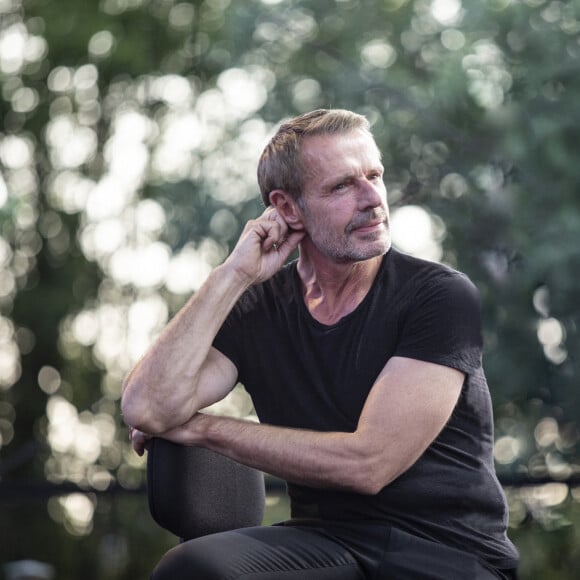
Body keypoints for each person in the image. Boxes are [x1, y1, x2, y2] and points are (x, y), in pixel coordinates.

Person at [121, 109, 520, 579]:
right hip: (324, 543)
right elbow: (147, 406)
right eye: (342, 186)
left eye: (375, 176)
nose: (373, 199)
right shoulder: (258, 308)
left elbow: (369, 465)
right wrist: (233, 275)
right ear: (288, 208)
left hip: (446, 554)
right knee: (194, 568)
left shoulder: (441, 297)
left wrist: (203, 430)